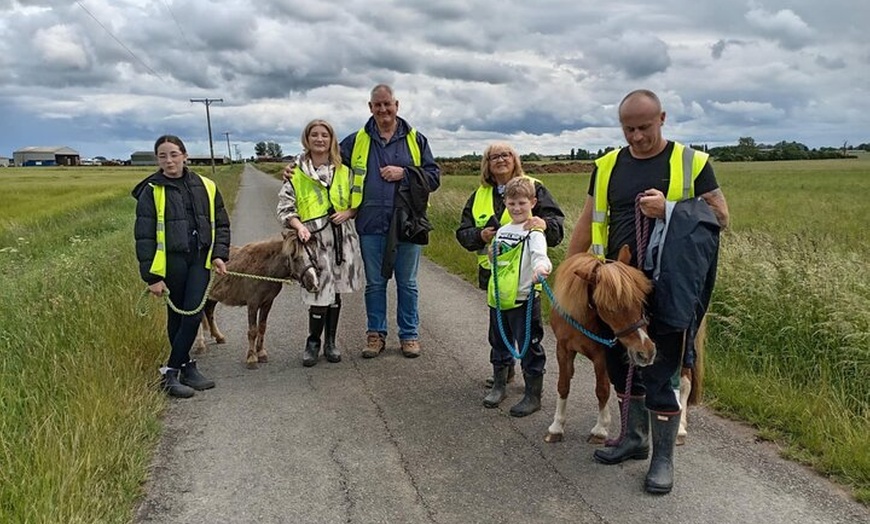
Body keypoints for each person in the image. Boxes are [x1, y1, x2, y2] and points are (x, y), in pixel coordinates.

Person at [568, 89, 730, 494]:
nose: (636, 137)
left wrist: (671, 209)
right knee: (620, 365)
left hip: (670, 286)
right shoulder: (606, 165)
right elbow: (589, 220)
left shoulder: (692, 163)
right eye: (628, 129)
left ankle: (662, 459)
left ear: (662, 118)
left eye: (644, 127)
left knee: (663, 371)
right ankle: (633, 438)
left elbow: (721, 216)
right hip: (615, 290)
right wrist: (569, 272)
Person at [285, 84, 440, 358]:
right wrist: (295, 167)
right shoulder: (356, 141)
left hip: (408, 224)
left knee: (408, 283)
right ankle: (375, 334)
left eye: (387, 104)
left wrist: (404, 173)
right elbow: (325, 161)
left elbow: (434, 178)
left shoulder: (417, 140)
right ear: (370, 108)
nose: (383, 110)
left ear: (397, 105)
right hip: (370, 225)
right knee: (376, 284)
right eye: (377, 105)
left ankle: (409, 335)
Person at [455, 142, 564, 387]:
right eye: (494, 156)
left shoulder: (534, 187)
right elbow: (462, 233)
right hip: (494, 279)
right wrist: (479, 235)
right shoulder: (479, 195)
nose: (501, 160)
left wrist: (544, 225)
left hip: (526, 283)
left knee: (527, 336)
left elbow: (556, 225)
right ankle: (502, 377)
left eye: (506, 155)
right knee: (499, 334)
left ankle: (532, 387)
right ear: (487, 164)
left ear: (515, 159)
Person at [133, 135, 230, 398]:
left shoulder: (206, 186)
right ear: (157, 160)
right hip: (171, 263)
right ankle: (185, 366)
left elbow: (221, 223)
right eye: (163, 156)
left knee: (193, 313)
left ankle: (172, 370)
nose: (169, 160)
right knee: (177, 316)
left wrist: (220, 254)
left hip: (200, 259)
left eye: (174, 154)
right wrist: (151, 277)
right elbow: (144, 236)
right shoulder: (151, 191)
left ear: (185, 156)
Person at [277, 119, 364, 367]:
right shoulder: (295, 171)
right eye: (314, 135)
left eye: (324, 135)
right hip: (312, 240)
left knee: (335, 290)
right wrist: (298, 226)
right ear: (307, 139)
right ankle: (313, 342)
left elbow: (357, 202)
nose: (319, 139)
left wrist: (348, 213)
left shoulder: (344, 171)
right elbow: (285, 206)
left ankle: (331, 342)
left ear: (331, 139)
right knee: (317, 290)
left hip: (340, 239)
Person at [484, 176, 552, 416]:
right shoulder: (503, 231)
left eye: (522, 203)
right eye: (512, 204)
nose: (516, 208)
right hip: (500, 298)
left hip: (524, 299)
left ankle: (533, 395)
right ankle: (499, 384)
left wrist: (541, 269)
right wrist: (493, 254)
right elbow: (496, 260)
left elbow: (540, 256)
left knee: (529, 346)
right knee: (499, 342)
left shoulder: (533, 232)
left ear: (533, 202)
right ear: (505, 203)